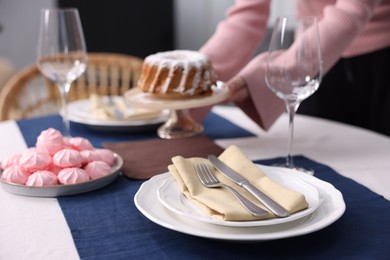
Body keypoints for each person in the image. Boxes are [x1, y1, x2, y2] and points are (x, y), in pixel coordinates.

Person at [193, 0, 390, 136]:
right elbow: (246, 17)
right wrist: (192, 80)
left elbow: (351, 13)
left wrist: (278, 72)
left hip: (381, 58)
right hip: (311, 55)